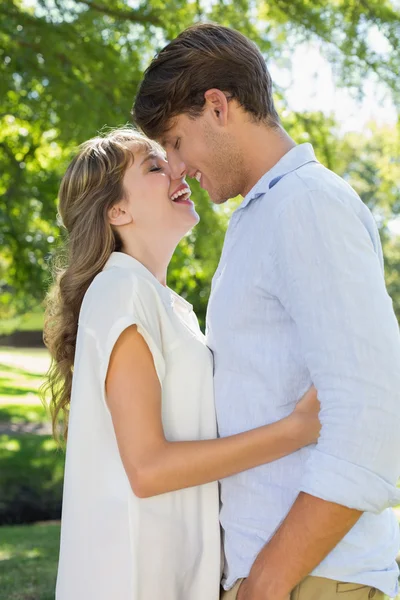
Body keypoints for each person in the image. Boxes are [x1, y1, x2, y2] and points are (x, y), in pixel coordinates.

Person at [133, 23, 400, 600]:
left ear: (217, 107)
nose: (175, 170)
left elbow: (374, 418)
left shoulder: (308, 205)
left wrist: (268, 582)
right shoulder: (260, 217)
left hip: (315, 581)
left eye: (176, 143)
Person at [42, 127, 320, 600]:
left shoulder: (168, 305)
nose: (179, 169)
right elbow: (148, 469)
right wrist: (295, 430)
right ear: (117, 210)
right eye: (154, 166)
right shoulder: (121, 290)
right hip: (131, 581)